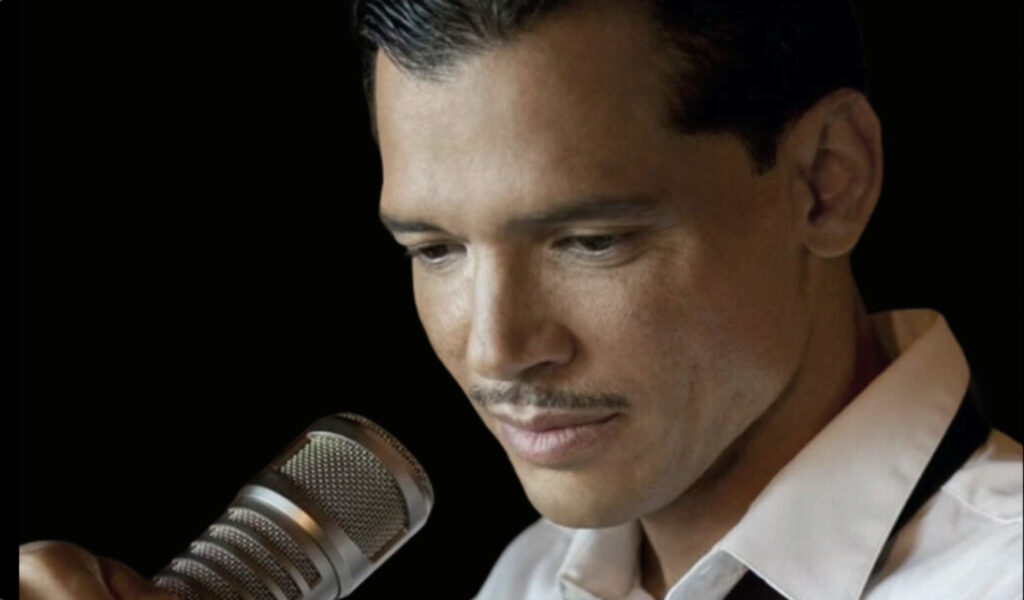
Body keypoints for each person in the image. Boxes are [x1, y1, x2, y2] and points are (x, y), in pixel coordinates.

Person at [19, 1, 1022, 599]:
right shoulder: (533, 577)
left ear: (827, 182)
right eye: (435, 249)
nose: (497, 350)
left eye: (590, 241)